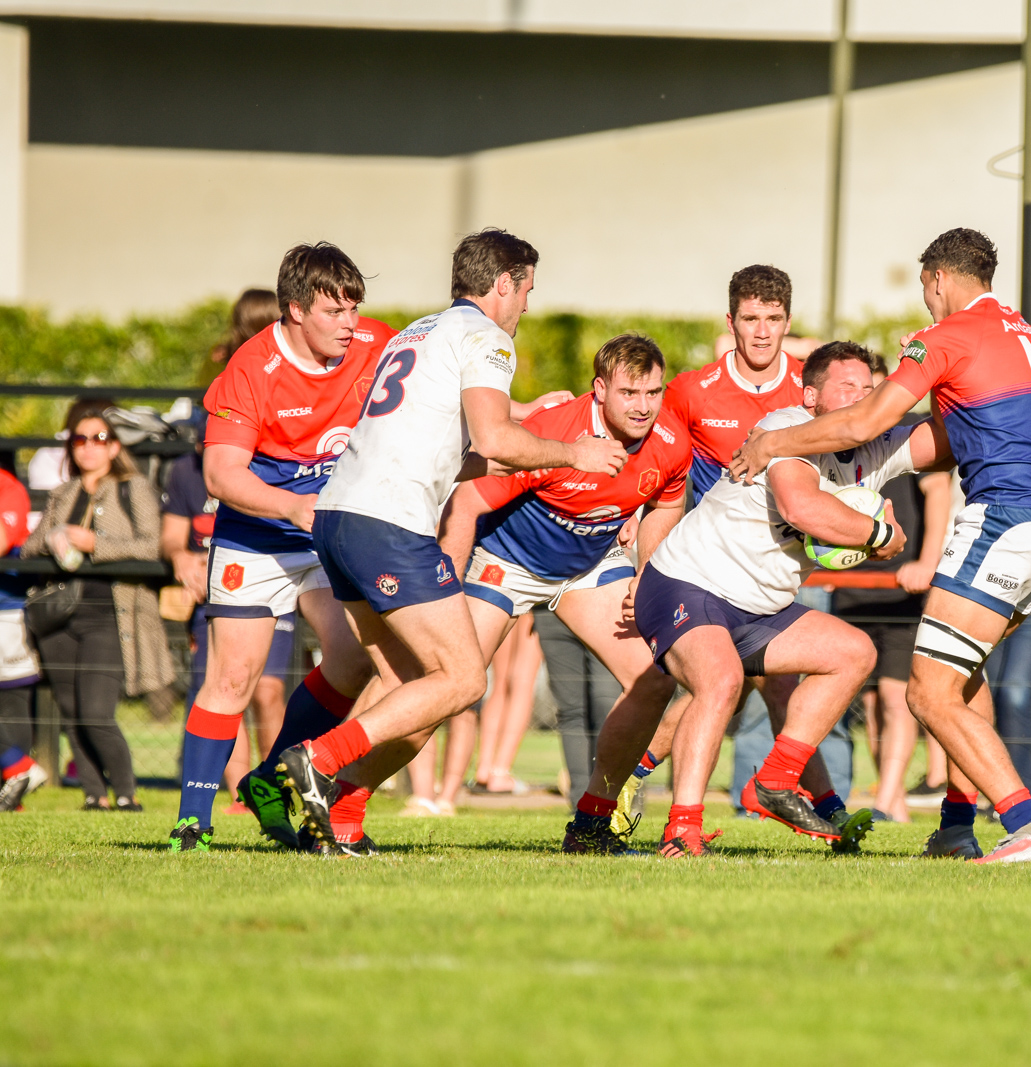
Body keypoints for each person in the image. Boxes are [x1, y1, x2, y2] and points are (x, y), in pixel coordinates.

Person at [277, 229, 628, 851]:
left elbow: (452, 456)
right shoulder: (487, 336)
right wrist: (574, 452)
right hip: (388, 522)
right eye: (527, 290)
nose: (527, 305)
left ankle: (343, 821)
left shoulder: (417, 332)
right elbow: (493, 439)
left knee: (412, 684)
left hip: (338, 516)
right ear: (504, 284)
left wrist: (528, 427)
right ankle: (318, 759)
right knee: (464, 681)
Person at [731, 228, 1031, 864]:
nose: (925, 301)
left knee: (926, 693)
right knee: (962, 676)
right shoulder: (1023, 332)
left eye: (924, 288)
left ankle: (1029, 828)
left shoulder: (946, 336)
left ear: (938, 279)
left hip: (1006, 519)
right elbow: (961, 426)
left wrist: (772, 442)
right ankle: (955, 827)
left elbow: (867, 422)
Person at [606, 341, 935, 857]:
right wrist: (878, 535)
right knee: (721, 683)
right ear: (811, 397)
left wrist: (936, 363)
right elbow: (802, 507)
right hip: (688, 581)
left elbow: (954, 438)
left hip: (760, 605)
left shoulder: (876, 446)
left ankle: (777, 781)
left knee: (852, 653)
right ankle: (681, 830)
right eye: (847, 386)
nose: (862, 396)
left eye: (871, 389)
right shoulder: (786, 426)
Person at [168, 244, 398, 853]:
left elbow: (447, 392)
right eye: (333, 311)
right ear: (294, 310)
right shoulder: (250, 368)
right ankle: (192, 822)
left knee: (353, 659)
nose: (350, 323)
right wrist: (292, 506)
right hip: (257, 535)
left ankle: (270, 778)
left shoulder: (376, 343)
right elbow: (221, 474)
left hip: (328, 534)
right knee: (233, 677)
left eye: (354, 308)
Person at [433, 333, 686, 832]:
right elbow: (466, 503)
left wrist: (645, 571)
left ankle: (593, 821)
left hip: (589, 566)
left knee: (654, 680)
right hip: (507, 563)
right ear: (599, 389)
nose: (643, 406)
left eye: (652, 392)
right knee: (449, 682)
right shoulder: (554, 431)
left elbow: (668, 501)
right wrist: (442, 594)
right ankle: (338, 785)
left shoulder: (671, 440)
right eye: (629, 393)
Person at [612, 265, 822, 818]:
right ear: (731, 322)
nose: (762, 331)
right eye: (751, 319)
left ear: (788, 322)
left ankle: (635, 779)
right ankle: (824, 804)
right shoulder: (690, 391)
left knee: (757, 687)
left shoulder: (809, 388)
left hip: (780, 569)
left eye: (773, 318)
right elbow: (658, 470)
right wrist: (636, 527)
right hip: (706, 573)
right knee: (742, 686)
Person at [23, 400, 172, 811]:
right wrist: (54, 537)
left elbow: (152, 546)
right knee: (71, 711)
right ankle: (93, 794)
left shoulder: (133, 487)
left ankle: (125, 793)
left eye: (99, 438)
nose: (89, 446)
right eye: (80, 439)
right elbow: (29, 548)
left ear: (114, 447)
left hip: (110, 613)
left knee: (95, 711)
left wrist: (95, 544)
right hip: (60, 614)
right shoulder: (63, 492)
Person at [159, 410, 296, 813]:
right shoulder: (184, 471)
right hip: (215, 590)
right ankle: (240, 794)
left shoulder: (268, 464)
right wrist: (181, 557)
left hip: (270, 574)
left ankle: (274, 783)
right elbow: (171, 537)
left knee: (268, 691)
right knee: (227, 687)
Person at [833, 429, 952, 825]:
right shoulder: (841, 435)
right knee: (870, 704)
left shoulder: (913, 432)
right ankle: (892, 798)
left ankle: (884, 802)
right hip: (852, 589)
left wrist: (928, 562)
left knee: (895, 697)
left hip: (904, 590)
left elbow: (939, 491)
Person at [532, 608, 621, 806]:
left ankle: (614, 798)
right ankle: (581, 804)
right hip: (551, 612)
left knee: (608, 705)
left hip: (606, 609)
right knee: (571, 712)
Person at [0, 464, 45, 811]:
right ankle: (17, 767)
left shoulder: (8, 487)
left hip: (6, 610)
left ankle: (16, 775)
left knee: (12, 701)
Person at [471, 614, 543, 795]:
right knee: (523, 681)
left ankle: (484, 769)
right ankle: (500, 773)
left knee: (500, 682)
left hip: (506, 600)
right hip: (534, 604)